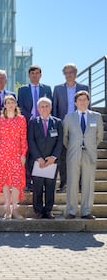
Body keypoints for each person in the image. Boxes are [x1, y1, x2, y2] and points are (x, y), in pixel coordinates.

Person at [63, 90, 103, 220]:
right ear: (75, 102)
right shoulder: (69, 117)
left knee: (89, 182)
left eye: (85, 99)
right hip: (73, 154)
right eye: (80, 100)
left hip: (89, 154)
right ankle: (71, 210)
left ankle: (86, 211)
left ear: (88, 101)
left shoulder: (96, 117)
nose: (82, 102)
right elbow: (65, 138)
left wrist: (90, 147)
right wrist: (73, 147)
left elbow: (99, 137)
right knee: (72, 182)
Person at [53, 63, 90, 193]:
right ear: (64, 74)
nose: (69, 75)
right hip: (63, 126)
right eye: (66, 73)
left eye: (71, 72)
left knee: (79, 156)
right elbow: (55, 109)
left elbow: (87, 108)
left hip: (79, 126)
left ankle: (79, 184)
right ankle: (64, 183)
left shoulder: (84, 88)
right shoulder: (58, 89)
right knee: (63, 156)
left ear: (76, 73)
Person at [0, 95, 27, 219]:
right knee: (5, 181)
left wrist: (23, 154)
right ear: (4, 105)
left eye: (13, 102)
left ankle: (15, 208)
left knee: (16, 181)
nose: (10, 105)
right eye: (8, 102)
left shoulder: (21, 119)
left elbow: (23, 138)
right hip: (3, 153)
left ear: (16, 104)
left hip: (16, 153)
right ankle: (7, 208)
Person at [17, 65, 53, 191]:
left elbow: (50, 106)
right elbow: (20, 106)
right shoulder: (22, 90)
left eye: (37, 73)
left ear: (40, 75)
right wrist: (31, 116)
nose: (35, 75)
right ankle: (27, 181)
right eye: (32, 73)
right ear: (29, 75)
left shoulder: (47, 89)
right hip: (28, 123)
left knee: (42, 151)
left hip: (43, 124)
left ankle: (42, 180)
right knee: (27, 152)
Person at [27, 97, 63, 219]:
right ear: (38, 109)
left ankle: (47, 210)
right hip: (38, 161)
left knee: (50, 187)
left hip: (52, 162)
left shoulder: (57, 122)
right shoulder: (32, 122)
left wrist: (53, 157)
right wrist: (38, 157)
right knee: (37, 187)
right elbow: (30, 140)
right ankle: (38, 210)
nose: (44, 108)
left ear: (51, 108)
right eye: (42, 106)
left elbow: (60, 141)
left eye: (47, 106)